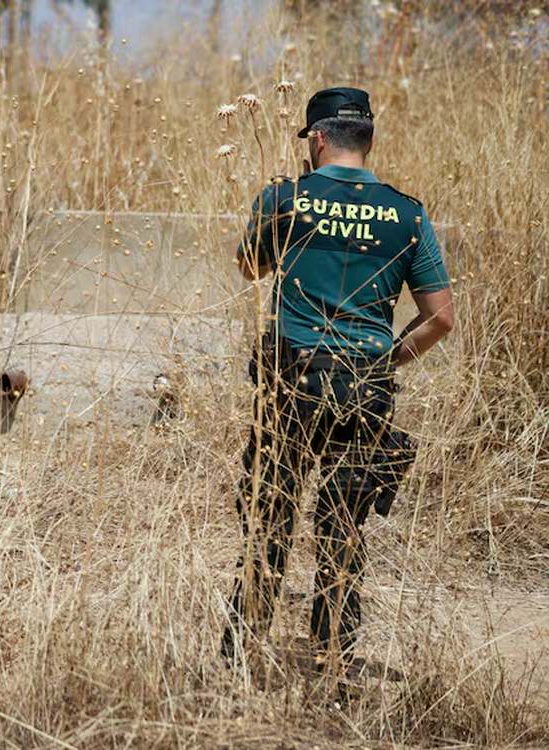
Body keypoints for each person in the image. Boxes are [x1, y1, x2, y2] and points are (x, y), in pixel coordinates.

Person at [220, 88, 454, 677]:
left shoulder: (286, 197)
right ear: (368, 141)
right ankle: (332, 664)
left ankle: (239, 659)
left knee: (271, 519)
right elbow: (442, 318)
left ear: (317, 140)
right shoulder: (408, 212)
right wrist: (387, 361)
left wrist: (293, 205)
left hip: (293, 381)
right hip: (367, 382)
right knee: (344, 529)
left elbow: (251, 267)